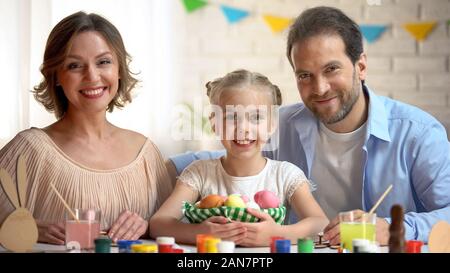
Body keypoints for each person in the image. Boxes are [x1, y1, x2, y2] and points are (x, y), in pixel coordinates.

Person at [167, 6, 450, 245]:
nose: (320, 88)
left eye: (331, 69)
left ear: (360, 67)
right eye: (305, 75)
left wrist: (391, 228)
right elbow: (210, 162)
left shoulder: (418, 134)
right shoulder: (279, 124)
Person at [0, 11, 173, 245]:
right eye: (74, 65)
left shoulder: (145, 153)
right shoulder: (29, 149)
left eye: (103, 62)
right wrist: (24, 228)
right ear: (56, 77)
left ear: (119, 69)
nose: (92, 76)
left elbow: (173, 227)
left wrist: (148, 225)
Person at [150, 70, 328, 246]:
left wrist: (278, 234)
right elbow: (158, 224)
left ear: (272, 124)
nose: (243, 128)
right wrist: (201, 232)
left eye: (256, 117)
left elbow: (320, 223)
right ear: (214, 124)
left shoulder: (285, 175)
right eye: (231, 117)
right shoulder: (199, 173)